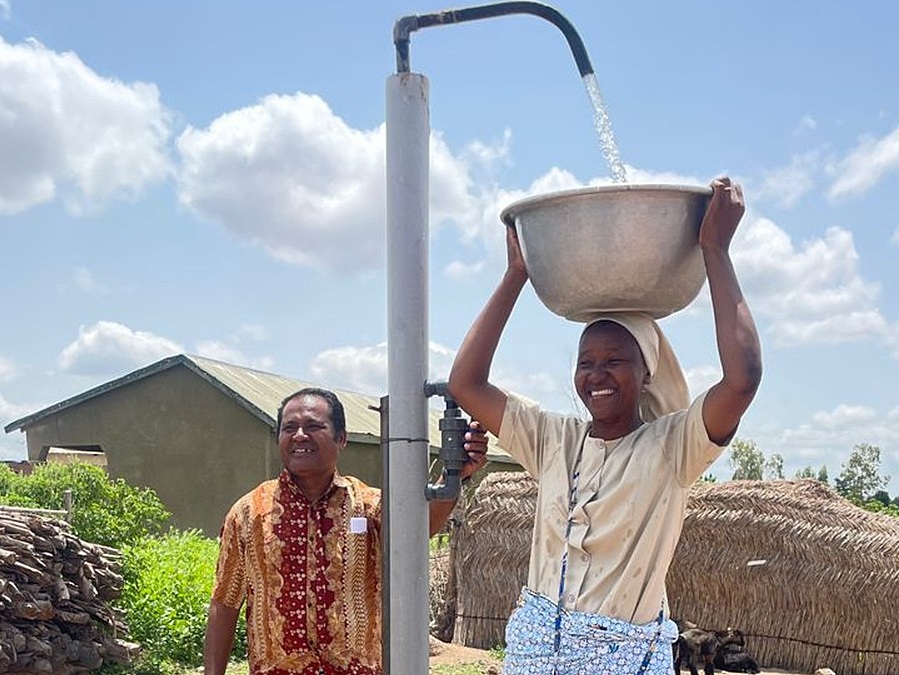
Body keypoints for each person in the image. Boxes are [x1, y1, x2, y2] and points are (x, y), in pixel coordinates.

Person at [447, 177, 762, 674]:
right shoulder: (554, 438)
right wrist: (515, 276)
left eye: (614, 360)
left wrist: (714, 249)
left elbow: (741, 381)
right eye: (585, 362)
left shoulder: (672, 446)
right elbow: (465, 383)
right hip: (534, 652)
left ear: (645, 372)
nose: (596, 375)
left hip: (621, 659)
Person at [202, 386, 489, 675]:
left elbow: (417, 530)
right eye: (289, 428)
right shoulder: (249, 512)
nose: (300, 435)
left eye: (313, 426)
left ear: (341, 438)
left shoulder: (369, 505)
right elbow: (225, 602)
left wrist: (454, 475)